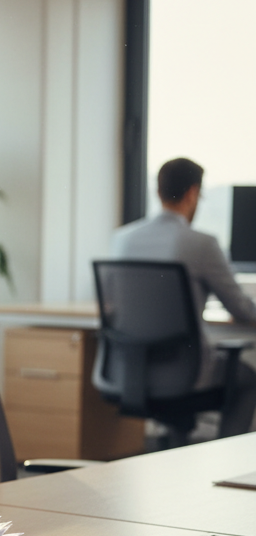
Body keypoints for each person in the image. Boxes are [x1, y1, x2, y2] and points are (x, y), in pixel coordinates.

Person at [111, 156, 256, 436]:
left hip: (129, 371)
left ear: (158, 191)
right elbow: (242, 309)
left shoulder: (123, 239)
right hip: (184, 375)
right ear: (192, 193)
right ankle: (225, 461)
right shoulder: (201, 243)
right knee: (248, 380)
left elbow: (112, 304)